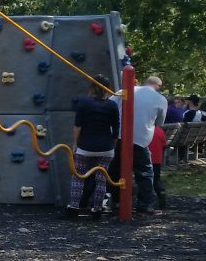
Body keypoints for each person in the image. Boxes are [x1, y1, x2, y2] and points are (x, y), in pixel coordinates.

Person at [112, 75, 168, 214]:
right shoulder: (161, 99)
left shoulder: (125, 91)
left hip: (119, 136)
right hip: (140, 139)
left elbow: (110, 104)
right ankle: (145, 204)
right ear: (158, 87)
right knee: (145, 172)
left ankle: (116, 200)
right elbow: (160, 123)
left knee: (115, 169)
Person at [66, 78, 118, 218]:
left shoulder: (84, 103)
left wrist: (75, 144)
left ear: (91, 87)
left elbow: (78, 125)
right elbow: (116, 128)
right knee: (101, 179)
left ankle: (74, 208)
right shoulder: (112, 105)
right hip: (106, 147)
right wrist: (113, 146)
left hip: (86, 146)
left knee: (78, 176)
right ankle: (97, 209)